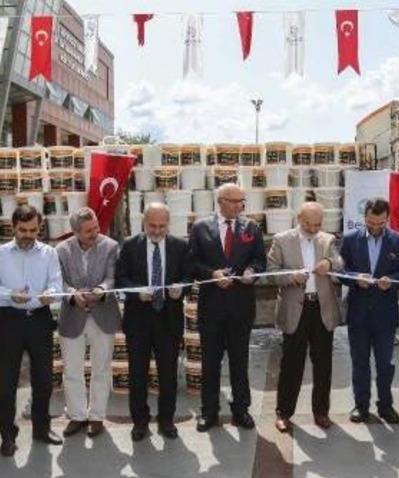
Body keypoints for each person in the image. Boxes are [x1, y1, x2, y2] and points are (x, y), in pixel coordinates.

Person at [0, 204, 63, 456]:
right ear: (12, 227)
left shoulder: (49, 252)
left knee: (43, 379)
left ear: (39, 227)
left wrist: (50, 294)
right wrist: (9, 295)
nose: (28, 235)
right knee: (7, 382)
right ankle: (7, 434)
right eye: (22, 230)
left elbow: (56, 282)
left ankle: (41, 427)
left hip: (40, 320)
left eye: (33, 230)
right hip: (10, 321)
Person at [188, 183, 266, 432]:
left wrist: (252, 272)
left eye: (242, 201)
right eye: (234, 201)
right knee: (210, 362)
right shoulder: (201, 228)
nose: (240, 205)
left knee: (239, 361)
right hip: (211, 307)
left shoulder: (251, 227)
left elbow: (260, 260)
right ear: (220, 201)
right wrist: (212, 273)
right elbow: (191, 263)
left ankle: (241, 409)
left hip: (241, 307)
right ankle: (209, 412)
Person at [116, 203, 192, 441]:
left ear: (169, 224)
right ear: (144, 222)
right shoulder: (130, 246)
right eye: (152, 226)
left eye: (162, 226)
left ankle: (166, 420)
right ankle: (140, 421)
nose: (157, 231)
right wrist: (137, 293)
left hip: (168, 320)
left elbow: (188, 276)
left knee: (168, 375)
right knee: (137, 374)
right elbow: (120, 279)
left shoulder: (180, 246)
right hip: (138, 319)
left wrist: (183, 289)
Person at [266, 202, 344, 432]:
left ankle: (321, 412)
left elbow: (340, 263)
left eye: (317, 224)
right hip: (295, 310)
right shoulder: (282, 239)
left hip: (322, 309)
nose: (313, 228)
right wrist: (292, 277)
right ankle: (283, 413)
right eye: (308, 223)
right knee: (291, 365)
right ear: (299, 218)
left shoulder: (327, 239)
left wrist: (329, 262)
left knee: (323, 366)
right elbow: (270, 273)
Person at [339, 197, 399, 424]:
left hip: (385, 314)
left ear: (388, 219)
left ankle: (385, 405)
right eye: (371, 223)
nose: (375, 227)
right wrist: (354, 278)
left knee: (385, 364)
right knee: (360, 363)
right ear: (365, 218)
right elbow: (341, 272)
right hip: (359, 313)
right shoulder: (351, 240)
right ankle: (361, 406)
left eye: (380, 223)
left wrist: (393, 280)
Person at [56, 207, 120, 439]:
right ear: (75, 232)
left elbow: (113, 276)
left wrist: (102, 290)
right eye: (88, 231)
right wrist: (72, 293)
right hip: (72, 315)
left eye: (96, 227)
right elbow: (57, 281)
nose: (95, 232)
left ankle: (96, 417)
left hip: (103, 314)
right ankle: (77, 415)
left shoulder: (110, 246)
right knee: (72, 369)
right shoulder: (61, 250)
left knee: (101, 369)